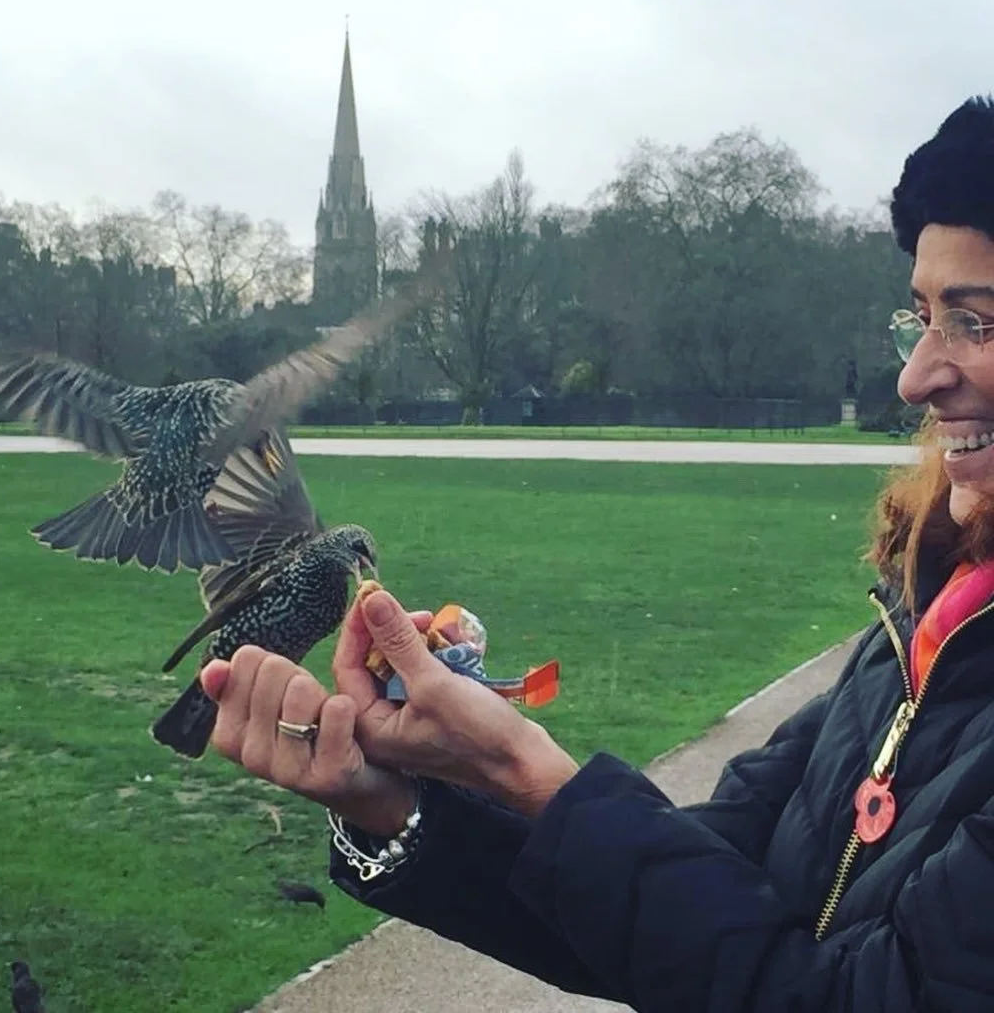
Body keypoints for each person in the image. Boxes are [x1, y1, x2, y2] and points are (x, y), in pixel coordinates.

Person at [197, 95, 994, 1011]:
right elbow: (698, 900)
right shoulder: (931, 615)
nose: (914, 374)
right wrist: (394, 802)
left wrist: (520, 770)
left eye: (973, 321)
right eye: (921, 317)